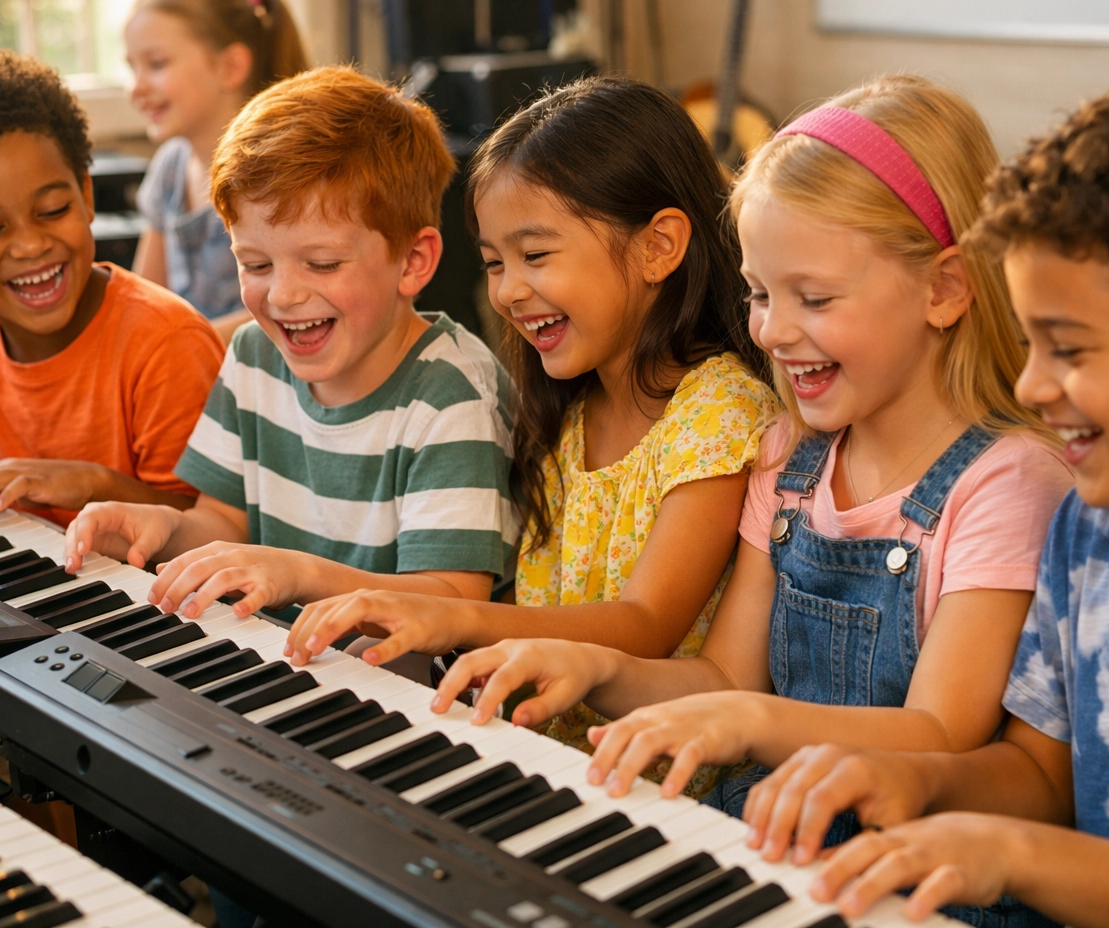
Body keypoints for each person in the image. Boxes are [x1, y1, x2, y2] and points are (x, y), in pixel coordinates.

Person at [430, 77, 1075, 926]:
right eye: (761, 294)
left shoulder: (1006, 481)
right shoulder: (790, 458)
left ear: (944, 289)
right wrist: (598, 669)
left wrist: (742, 721)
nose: (769, 331)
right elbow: (724, 673)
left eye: (813, 298)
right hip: (770, 854)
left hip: (918, 889)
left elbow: (939, 734)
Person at [730, 69, 1109, 928]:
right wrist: (916, 779)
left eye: (1069, 349)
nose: (1034, 386)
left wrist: (1004, 852)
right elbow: (1040, 774)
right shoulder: (1098, 526)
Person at [280, 76, 782, 763]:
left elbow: (645, 627)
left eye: (535, 255)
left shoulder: (720, 411)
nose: (509, 290)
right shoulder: (567, 407)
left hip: (650, 780)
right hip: (539, 755)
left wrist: (451, 617)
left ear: (658, 246)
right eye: (493, 262)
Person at [63, 67, 517, 622]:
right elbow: (224, 524)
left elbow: (452, 601)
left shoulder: (451, 394)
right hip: (295, 666)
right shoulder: (255, 355)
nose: (281, 294)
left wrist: (298, 574)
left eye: (321, 263)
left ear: (413, 261)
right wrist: (163, 529)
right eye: (254, 263)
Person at [0, 47, 223, 529]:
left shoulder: (165, 341)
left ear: (85, 196)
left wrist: (90, 485)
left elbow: (208, 531)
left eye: (52, 210)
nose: (31, 245)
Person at [126, 0, 308, 343]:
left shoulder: (280, 170)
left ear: (230, 67)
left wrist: (184, 344)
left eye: (157, 64)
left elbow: (297, 308)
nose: (137, 88)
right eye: (132, 68)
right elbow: (142, 298)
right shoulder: (170, 167)